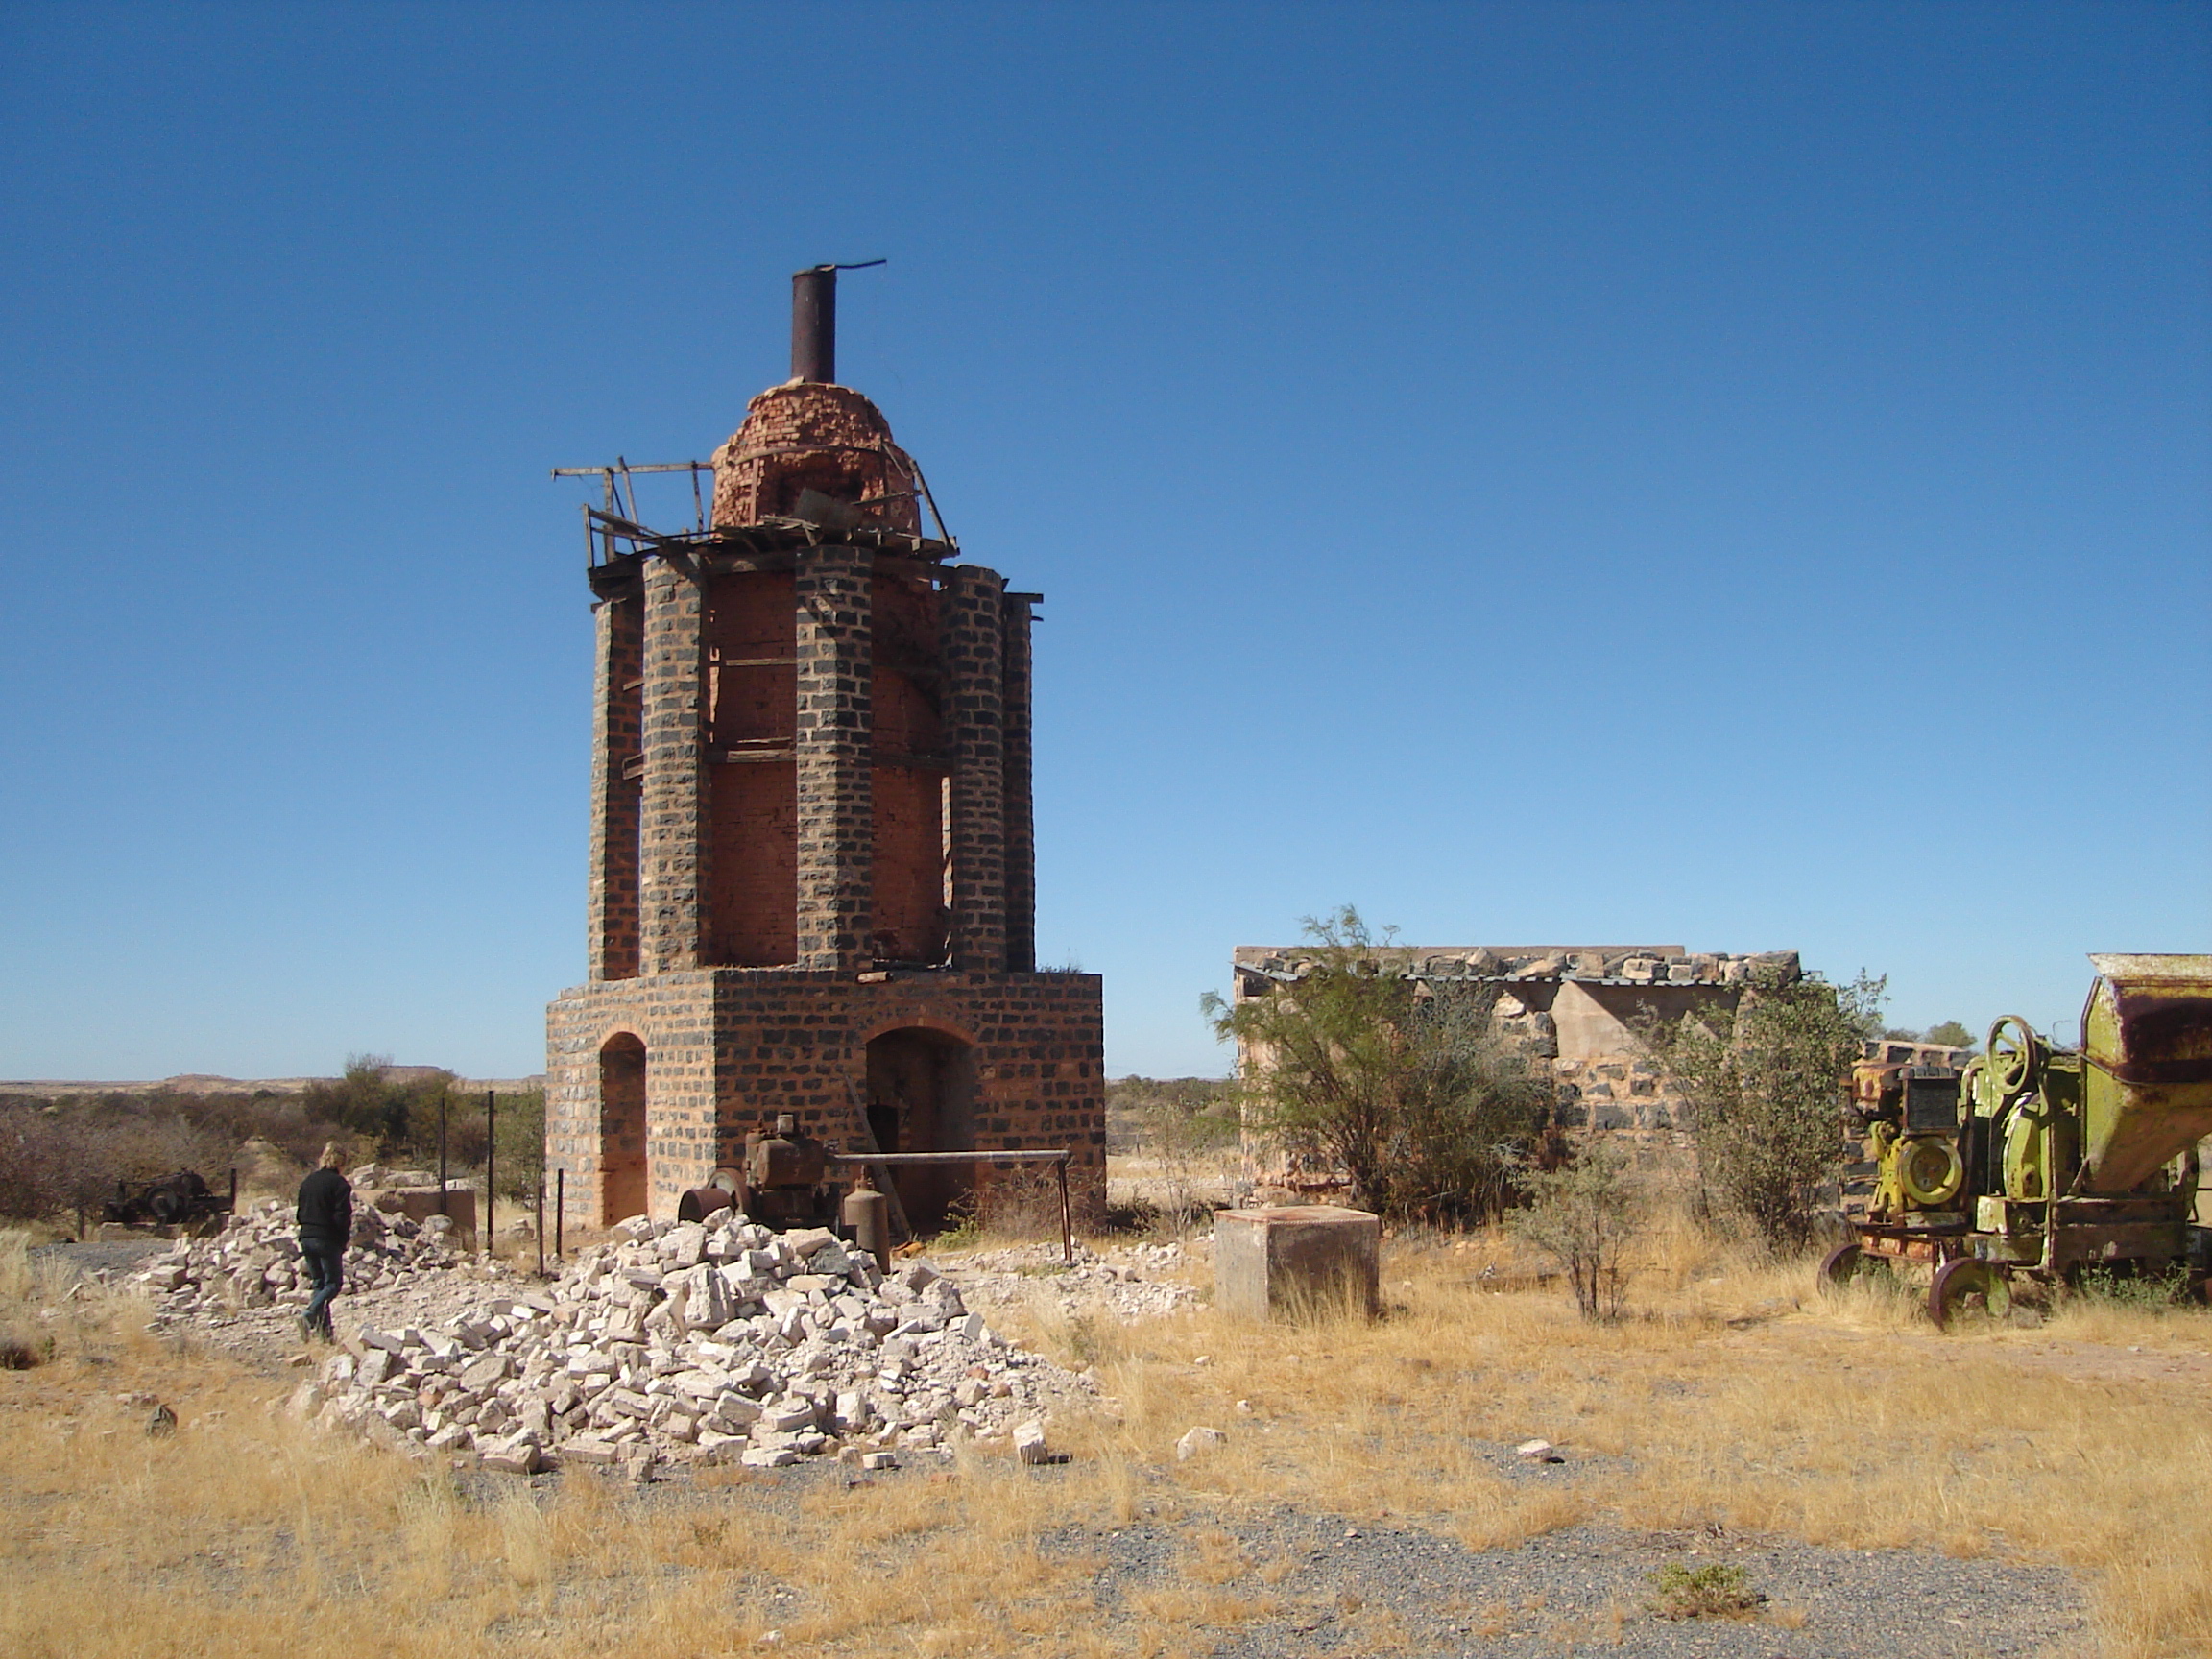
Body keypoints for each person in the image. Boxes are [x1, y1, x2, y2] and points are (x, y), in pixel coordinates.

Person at [296, 1142, 352, 1343]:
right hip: (327, 1239)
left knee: (319, 1285)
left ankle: (325, 1335)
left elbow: (300, 1212)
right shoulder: (340, 1185)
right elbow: (341, 1216)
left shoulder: (308, 1182)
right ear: (341, 1162)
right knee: (333, 1284)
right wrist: (342, 1240)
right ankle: (309, 1314)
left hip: (306, 1236)